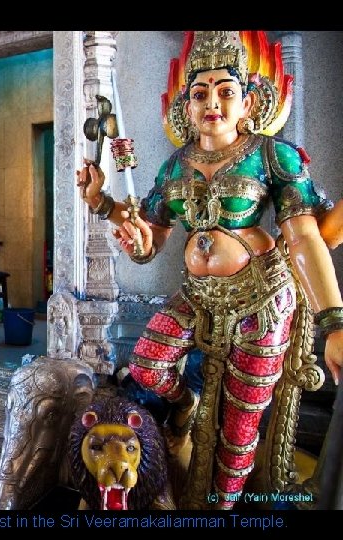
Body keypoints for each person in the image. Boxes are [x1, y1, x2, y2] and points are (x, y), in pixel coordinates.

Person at [77, 31, 343, 509]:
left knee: (240, 428)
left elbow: (304, 236)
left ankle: (219, 507)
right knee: (148, 363)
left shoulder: (271, 155)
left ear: (248, 103)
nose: (212, 102)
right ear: (186, 105)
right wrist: (104, 204)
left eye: (226, 91)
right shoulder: (175, 165)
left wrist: (335, 323)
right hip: (197, 295)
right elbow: (151, 236)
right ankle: (183, 406)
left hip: (260, 300)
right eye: (199, 93)